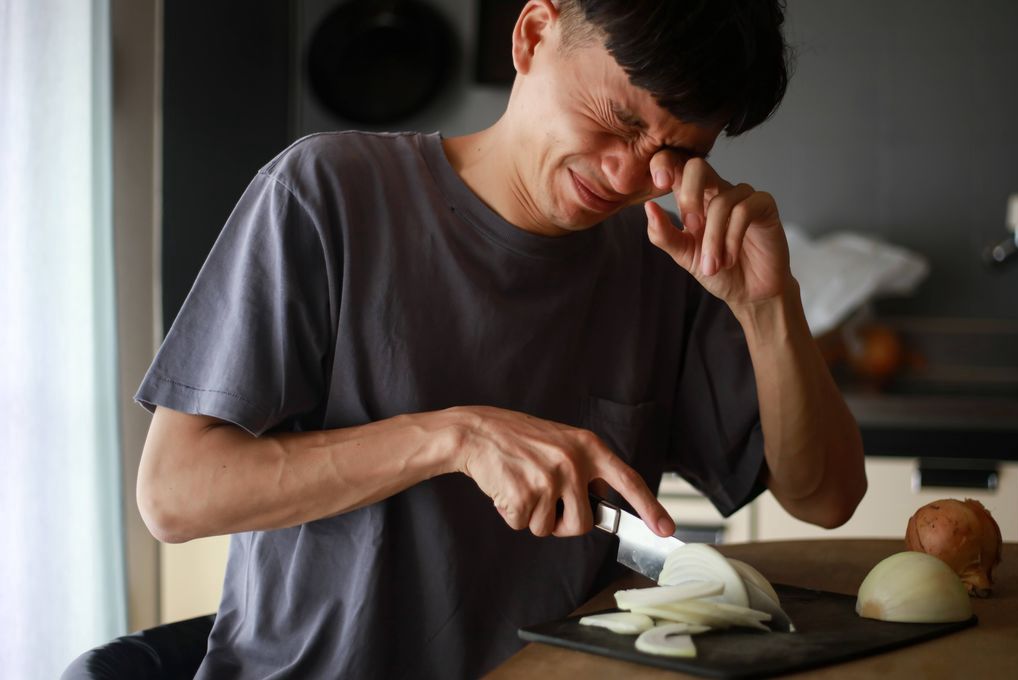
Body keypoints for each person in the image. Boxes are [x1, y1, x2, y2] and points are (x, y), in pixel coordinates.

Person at [134, 0, 866, 676]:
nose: (627, 174)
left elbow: (826, 498)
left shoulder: (663, 262)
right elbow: (175, 493)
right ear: (533, 35)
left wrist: (768, 307)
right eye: (615, 120)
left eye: (671, 154)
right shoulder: (329, 192)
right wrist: (456, 438)